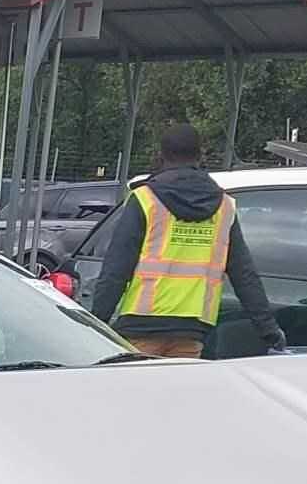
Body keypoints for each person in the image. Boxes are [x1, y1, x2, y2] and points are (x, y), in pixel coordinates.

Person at [85, 124, 287, 359]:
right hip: (192, 330)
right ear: (200, 156)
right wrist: (269, 331)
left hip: (140, 326)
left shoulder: (144, 199)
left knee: (138, 394)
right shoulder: (223, 206)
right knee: (178, 394)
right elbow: (244, 275)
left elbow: (116, 270)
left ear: (160, 156)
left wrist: (96, 324)